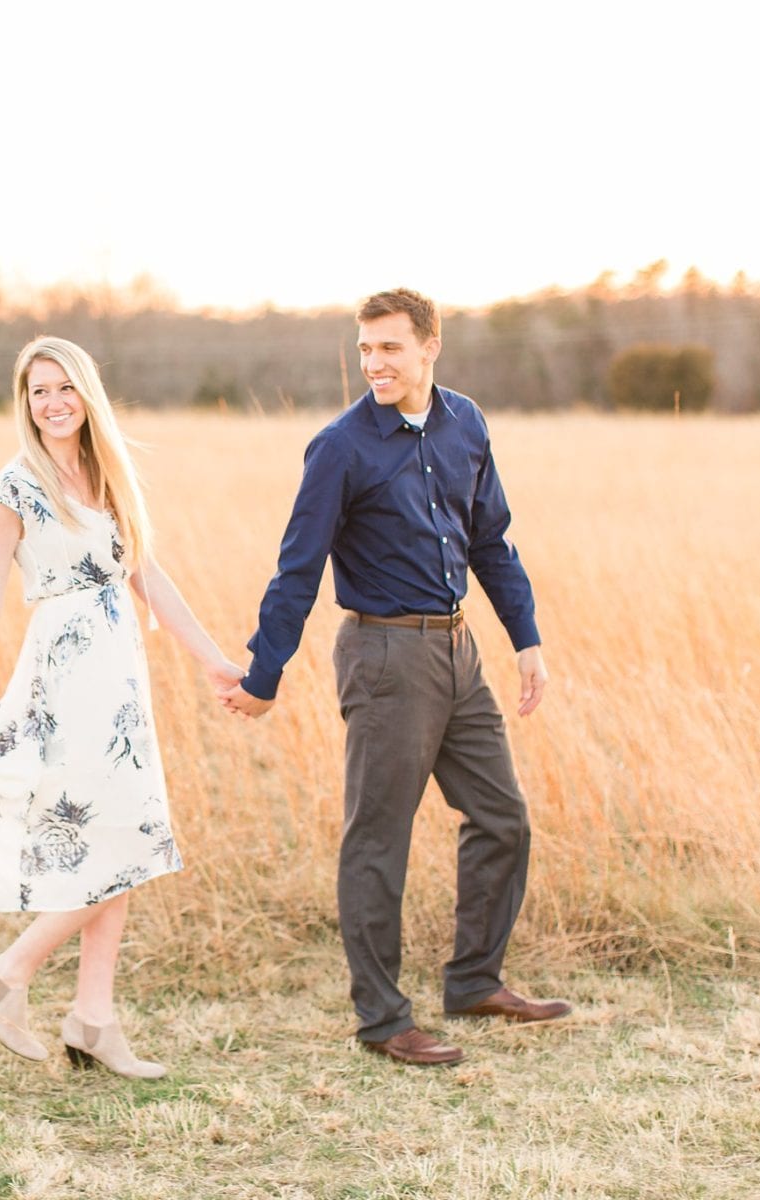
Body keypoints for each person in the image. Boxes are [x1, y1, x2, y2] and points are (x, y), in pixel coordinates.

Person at [219, 288, 571, 1066]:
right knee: (378, 840)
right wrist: (263, 673)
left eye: (390, 348)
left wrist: (526, 639)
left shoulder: (464, 423)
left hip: (458, 649)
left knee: (502, 817)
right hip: (384, 657)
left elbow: (493, 542)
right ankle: (383, 1019)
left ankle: (475, 979)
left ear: (429, 348)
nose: (374, 363)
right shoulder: (341, 448)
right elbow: (297, 570)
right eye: (366, 349)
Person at [0, 335, 241, 1078]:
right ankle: (7, 974)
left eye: (63, 388)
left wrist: (214, 660)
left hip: (120, 681)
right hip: (65, 676)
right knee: (121, 842)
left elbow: (151, 579)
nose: (51, 403)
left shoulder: (110, 474)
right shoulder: (14, 486)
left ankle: (92, 1018)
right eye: (37, 391)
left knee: (116, 837)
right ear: (24, 403)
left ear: (87, 393)